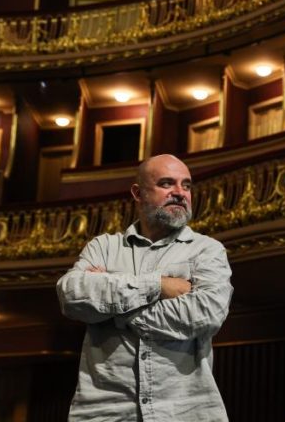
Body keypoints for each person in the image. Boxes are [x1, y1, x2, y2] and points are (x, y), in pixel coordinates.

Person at [57, 154, 233, 421]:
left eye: (186, 185)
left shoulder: (207, 251)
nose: (179, 193)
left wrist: (113, 306)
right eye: (167, 183)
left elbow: (204, 315)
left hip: (186, 411)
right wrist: (157, 285)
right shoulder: (104, 247)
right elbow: (71, 295)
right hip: (104, 412)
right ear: (138, 193)